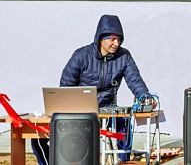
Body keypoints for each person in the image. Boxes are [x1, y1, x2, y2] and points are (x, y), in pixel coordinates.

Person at [32, 14, 151, 165]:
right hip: (78, 112)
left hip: (107, 110)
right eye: (112, 39)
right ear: (101, 38)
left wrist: (145, 97)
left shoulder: (124, 56)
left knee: (124, 122)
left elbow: (135, 80)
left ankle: (121, 161)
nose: (116, 43)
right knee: (37, 138)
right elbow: (66, 85)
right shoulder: (81, 55)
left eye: (119, 39)